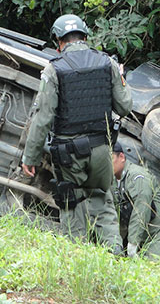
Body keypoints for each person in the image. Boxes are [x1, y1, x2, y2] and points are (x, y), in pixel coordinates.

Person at [20, 14, 133, 254]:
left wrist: (30, 157)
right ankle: (115, 256)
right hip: (102, 149)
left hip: (69, 153)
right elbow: (124, 107)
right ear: (85, 36)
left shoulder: (54, 70)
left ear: (59, 41)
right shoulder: (108, 64)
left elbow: (42, 118)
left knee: (72, 205)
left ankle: (75, 259)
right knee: (103, 203)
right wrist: (122, 77)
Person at [112, 142, 160, 258]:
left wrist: (133, 242)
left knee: (151, 270)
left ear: (121, 157)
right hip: (149, 232)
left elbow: (142, 206)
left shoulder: (136, 175)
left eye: (110, 159)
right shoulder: (117, 182)